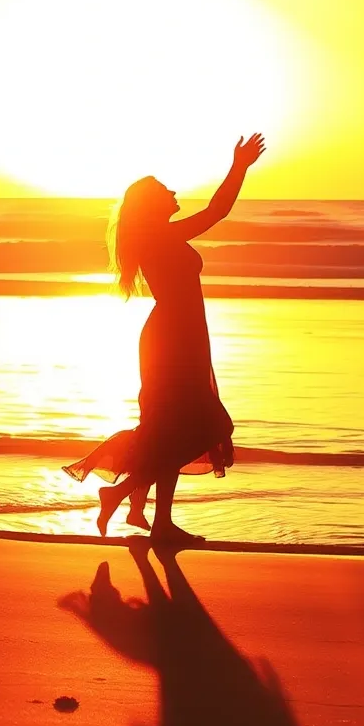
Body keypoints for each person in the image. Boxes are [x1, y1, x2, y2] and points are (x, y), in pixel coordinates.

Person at [64, 134, 265, 542]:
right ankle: (123, 495)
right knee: (209, 426)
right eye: (165, 190)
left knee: (172, 431)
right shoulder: (160, 237)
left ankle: (157, 521)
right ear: (152, 204)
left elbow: (214, 213)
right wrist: (239, 167)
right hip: (173, 339)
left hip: (180, 336)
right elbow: (217, 211)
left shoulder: (160, 235)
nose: (173, 193)